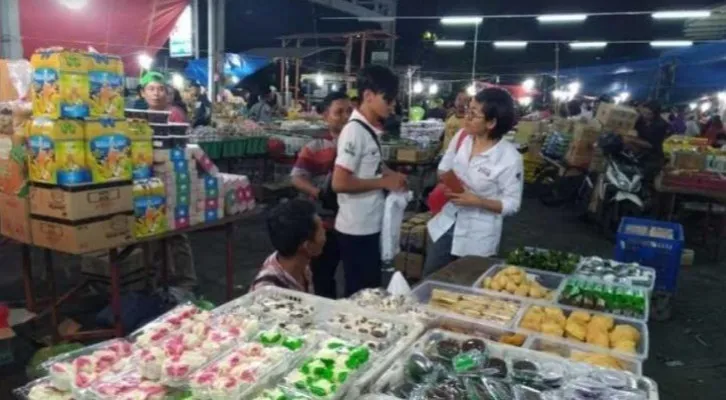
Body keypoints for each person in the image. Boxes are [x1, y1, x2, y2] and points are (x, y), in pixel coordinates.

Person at [423, 88, 524, 276]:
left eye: (473, 114)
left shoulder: (509, 158)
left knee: (465, 287)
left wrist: (477, 201)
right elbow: (444, 166)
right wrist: (448, 181)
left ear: (491, 122)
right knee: (431, 278)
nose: (466, 117)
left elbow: (512, 204)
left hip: (478, 234)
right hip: (447, 223)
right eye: (468, 110)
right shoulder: (462, 137)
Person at [332, 65, 407, 296]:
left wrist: (390, 175)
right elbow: (340, 182)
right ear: (368, 96)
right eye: (388, 99)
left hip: (369, 225)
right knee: (360, 294)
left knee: (371, 290)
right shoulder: (354, 131)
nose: (392, 105)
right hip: (356, 229)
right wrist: (383, 183)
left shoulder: (368, 129)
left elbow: (371, 164)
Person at [290, 91, 351, 298]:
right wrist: (318, 193)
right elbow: (297, 177)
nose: (345, 116)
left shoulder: (358, 145)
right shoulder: (314, 146)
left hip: (353, 223)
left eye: (349, 111)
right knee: (323, 276)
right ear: (326, 116)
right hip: (325, 226)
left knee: (353, 275)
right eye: (339, 112)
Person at [250, 199, 325, 293]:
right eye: (321, 230)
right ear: (307, 246)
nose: (325, 236)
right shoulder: (268, 290)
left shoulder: (302, 266)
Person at [440, 90, 469, 156]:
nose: (461, 102)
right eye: (459, 99)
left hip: (459, 157)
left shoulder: (469, 120)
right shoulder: (449, 116)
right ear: (455, 101)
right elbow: (445, 135)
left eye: (465, 100)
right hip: (446, 155)